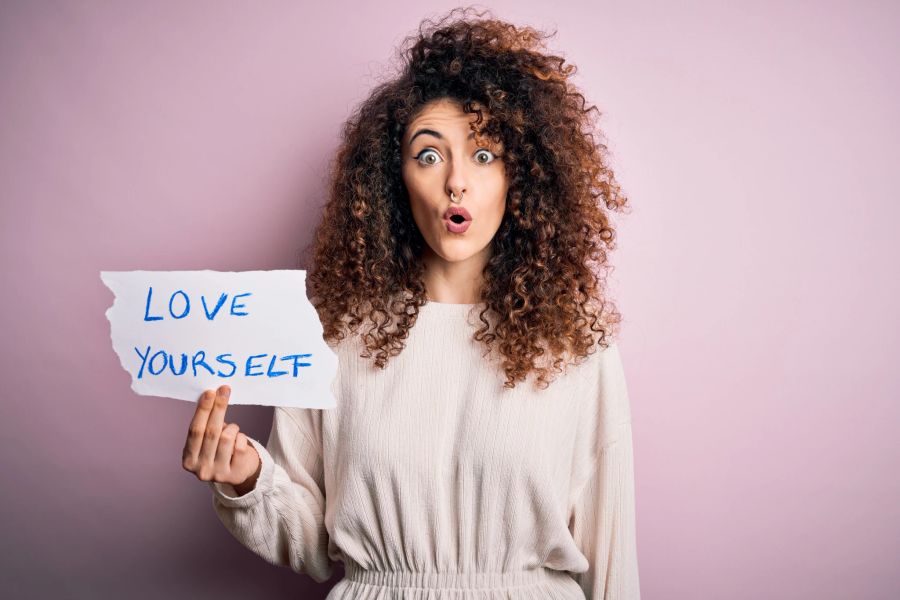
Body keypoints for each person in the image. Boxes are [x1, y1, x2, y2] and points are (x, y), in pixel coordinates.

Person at [182, 7, 640, 599]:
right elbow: (312, 544)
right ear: (393, 179)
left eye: (483, 154)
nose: (456, 181)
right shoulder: (336, 336)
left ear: (521, 176)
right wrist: (246, 479)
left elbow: (611, 561)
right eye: (429, 155)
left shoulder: (576, 344)